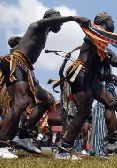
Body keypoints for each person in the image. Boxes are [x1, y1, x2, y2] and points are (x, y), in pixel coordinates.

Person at [0, 8, 90, 159]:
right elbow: (45, 21)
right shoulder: (37, 26)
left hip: (26, 68)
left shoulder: (45, 33)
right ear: (51, 18)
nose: (60, 27)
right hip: (15, 63)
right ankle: (2, 143)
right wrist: (72, 18)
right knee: (21, 102)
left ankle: (24, 135)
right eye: (58, 22)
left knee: (47, 100)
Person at [55, 12, 117, 160]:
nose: (114, 25)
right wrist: (111, 53)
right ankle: (63, 149)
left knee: (111, 101)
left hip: (91, 78)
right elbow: (93, 40)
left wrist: (109, 68)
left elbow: (99, 63)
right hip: (80, 73)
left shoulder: (103, 40)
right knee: (84, 112)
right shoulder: (93, 31)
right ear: (104, 21)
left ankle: (113, 140)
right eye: (112, 21)